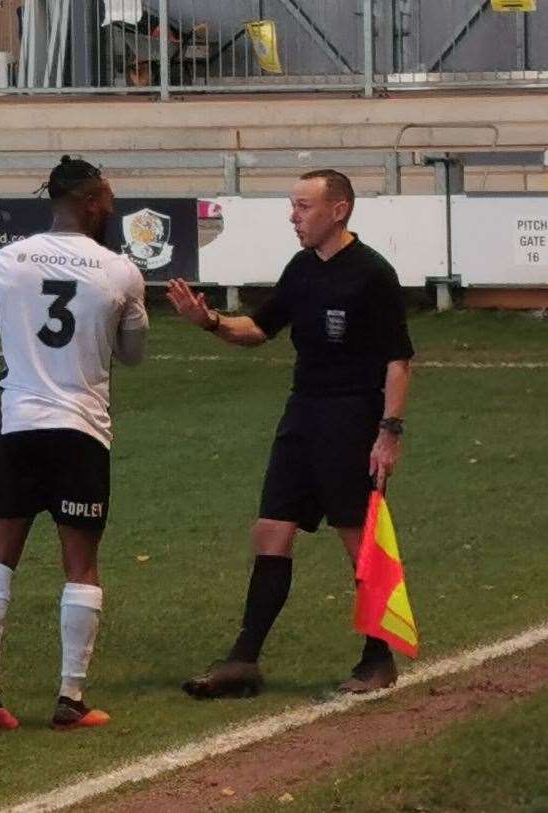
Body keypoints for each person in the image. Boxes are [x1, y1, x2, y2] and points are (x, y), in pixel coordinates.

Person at [168, 169, 414, 698]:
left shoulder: (373, 273)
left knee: (359, 541)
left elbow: (399, 360)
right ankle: (244, 660)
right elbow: (259, 329)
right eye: (292, 205)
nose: (293, 216)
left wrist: (388, 433)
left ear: (339, 210)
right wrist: (209, 321)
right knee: (271, 531)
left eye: (304, 206)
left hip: (352, 420)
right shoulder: (301, 269)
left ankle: (378, 658)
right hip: (302, 416)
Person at [0, 157, 149, 732]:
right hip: (82, 432)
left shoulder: (3, 262)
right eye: (109, 198)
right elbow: (133, 355)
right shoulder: (120, 271)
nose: (113, 207)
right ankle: (70, 699)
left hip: (17, 427)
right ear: (91, 201)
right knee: (81, 564)